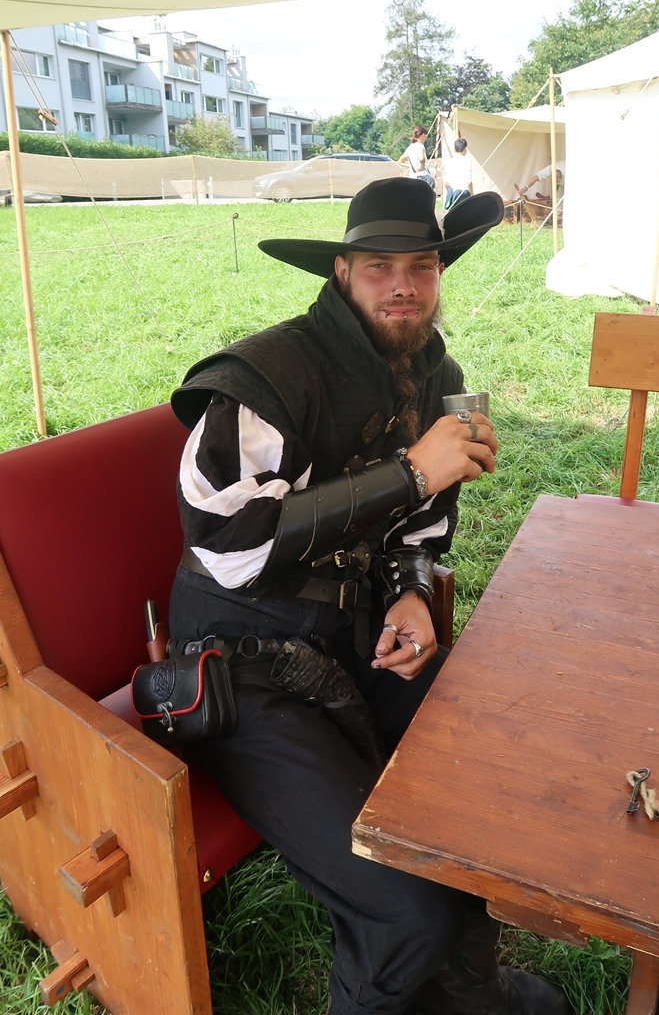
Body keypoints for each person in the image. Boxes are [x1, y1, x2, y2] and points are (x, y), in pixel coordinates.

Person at [169, 178, 571, 1015]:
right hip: (242, 666)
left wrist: (412, 595)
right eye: (380, 267)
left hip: (358, 637)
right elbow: (230, 550)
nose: (403, 286)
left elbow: (420, 530)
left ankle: (471, 993)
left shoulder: (438, 374)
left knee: (487, 785)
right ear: (343, 272)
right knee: (404, 909)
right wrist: (413, 468)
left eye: (422, 266)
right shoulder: (265, 377)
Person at [399, 124, 436, 188]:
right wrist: (422, 167)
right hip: (422, 176)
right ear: (423, 134)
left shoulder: (410, 147)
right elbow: (421, 158)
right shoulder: (420, 145)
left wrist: (410, 166)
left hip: (413, 177)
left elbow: (400, 161)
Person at [443, 138, 473, 212]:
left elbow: (446, 183)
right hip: (463, 194)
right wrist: (472, 195)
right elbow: (468, 181)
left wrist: (450, 193)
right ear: (465, 149)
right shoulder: (466, 160)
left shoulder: (449, 161)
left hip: (452, 194)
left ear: (454, 149)